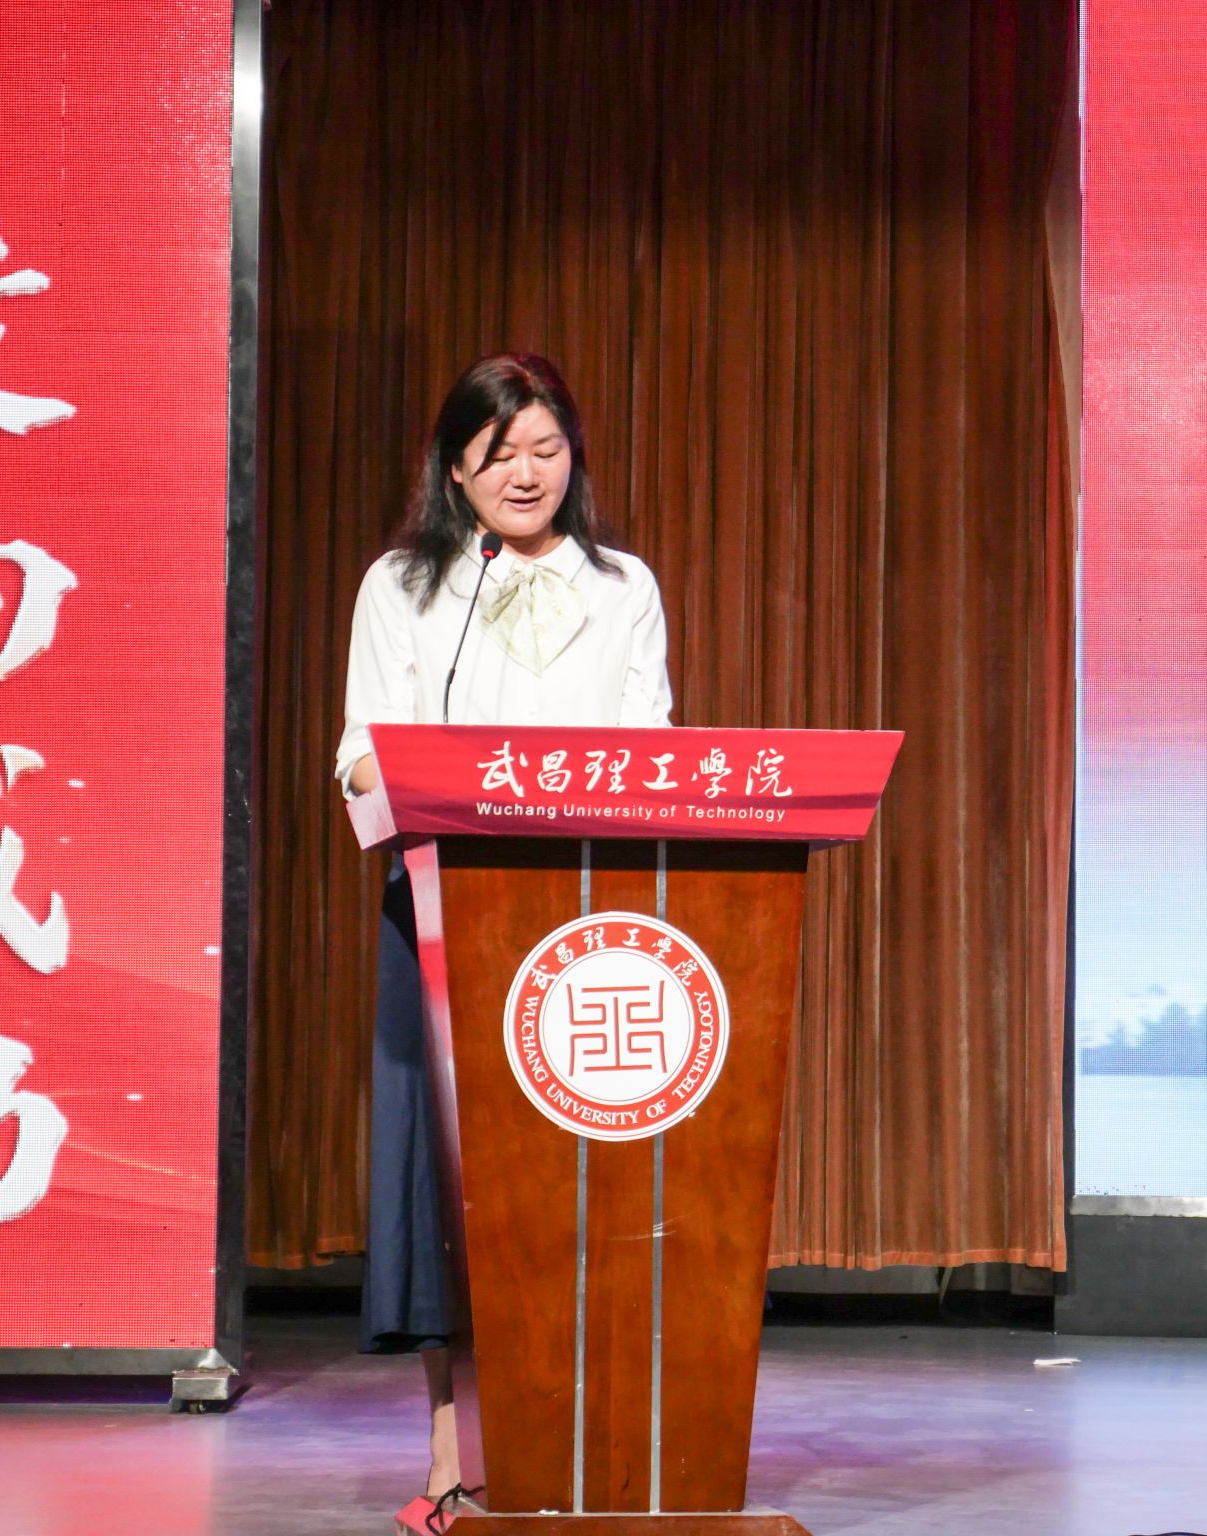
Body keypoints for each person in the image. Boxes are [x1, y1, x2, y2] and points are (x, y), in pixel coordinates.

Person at [335, 353, 674, 1500]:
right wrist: (430, 781)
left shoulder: (623, 587)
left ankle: (590, 1449)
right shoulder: (403, 585)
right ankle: (449, 1452)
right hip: (442, 909)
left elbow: (649, 748)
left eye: (546, 449)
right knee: (446, 1189)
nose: (526, 474)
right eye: (499, 454)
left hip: (585, 916)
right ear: (454, 468)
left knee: (576, 1188)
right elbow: (359, 752)